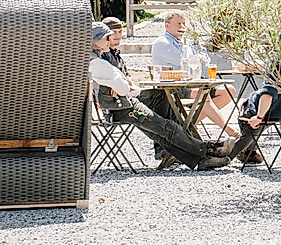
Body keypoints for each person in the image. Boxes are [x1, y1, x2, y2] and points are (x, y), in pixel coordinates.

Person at [89, 22, 234, 170]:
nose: (110, 39)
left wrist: (120, 84)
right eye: (106, 37)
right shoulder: (98, 63)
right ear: (95, 41)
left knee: (161, 97)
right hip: (120, 108)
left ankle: (183, 155)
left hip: (123, 101)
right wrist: (119, 84)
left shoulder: (98, 59)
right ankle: (208, 149)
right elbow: (124, 86)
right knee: (165, 128)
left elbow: (124, 84)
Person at [141, 11, 239, 152]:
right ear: (167, 25)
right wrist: (194, 50)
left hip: (191, 83)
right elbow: (184, 60)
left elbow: (205, 58)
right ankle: (229, 130)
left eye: (183, 24)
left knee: (228, 91)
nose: (182, 27)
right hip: (173, 87)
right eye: (178, 24)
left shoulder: (183, 42)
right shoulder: (163, 43)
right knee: (203, 96)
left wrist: (193, 42)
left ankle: (189, 123)